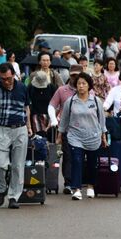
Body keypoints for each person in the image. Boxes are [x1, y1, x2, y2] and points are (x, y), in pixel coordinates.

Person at [0, 63, 33, 209]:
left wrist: (29, 127)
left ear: (14, 75)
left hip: (20, 129)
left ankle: (13, 197)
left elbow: (27, 108)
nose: (6, 81)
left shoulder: (22, 88)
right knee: (0, 165)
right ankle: (1, 189)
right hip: (2, 130)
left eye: (9, 78)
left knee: (18, 166)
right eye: (3, 79)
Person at [56, 73, 108, 200]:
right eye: (79, 83)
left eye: (84, 83)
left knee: (92, 163)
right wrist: (59, 135)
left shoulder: (96, 101)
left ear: (89, 86)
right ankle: (77, 188)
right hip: (75, 137)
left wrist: (104, 136)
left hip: (93, 136)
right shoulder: (70, 101)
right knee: (77, 161)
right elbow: (64, 120)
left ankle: (90, 186)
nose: (81, 86)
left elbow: (101, 120)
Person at [48, 64, 85, 194]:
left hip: (85, 129)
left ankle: (80, 181)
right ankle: (69, 183)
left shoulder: (87, 91)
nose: (75, 78)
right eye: (72, 75)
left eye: (77, 75)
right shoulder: (62, 90)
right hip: (67, 129)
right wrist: (53, 119)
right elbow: (52, 106)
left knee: (80, 157)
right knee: (68, 156)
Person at [27, 70, 58, 140]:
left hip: (49, 116)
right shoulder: (30, 88)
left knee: (50, 137)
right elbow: (27, 103)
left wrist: (53, 118)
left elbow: (56, 103)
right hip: (35, 116)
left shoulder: (51, 87)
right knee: (38, 138)